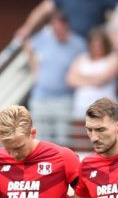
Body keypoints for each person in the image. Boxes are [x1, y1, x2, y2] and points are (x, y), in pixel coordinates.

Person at [24, 11, 86, 145]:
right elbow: (28, 46)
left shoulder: (78, 44)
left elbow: (84, 63)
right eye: (54, 28)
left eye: (59, 28)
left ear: (66, 26)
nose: (56, 32)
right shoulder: (45, 37)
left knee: (62, 140)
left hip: (64, 98)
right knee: (39, 138)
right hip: (41, 95)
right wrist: (35, 68)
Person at [67, 27, 118, 118]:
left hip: (105, 114)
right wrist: (95, 79)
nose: (96, 48)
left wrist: (81, 78)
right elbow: (70, 80)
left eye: (99, 45)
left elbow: (102, 79)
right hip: (81, 112)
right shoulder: (81, 58)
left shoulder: (113, 58)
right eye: (94, 45)